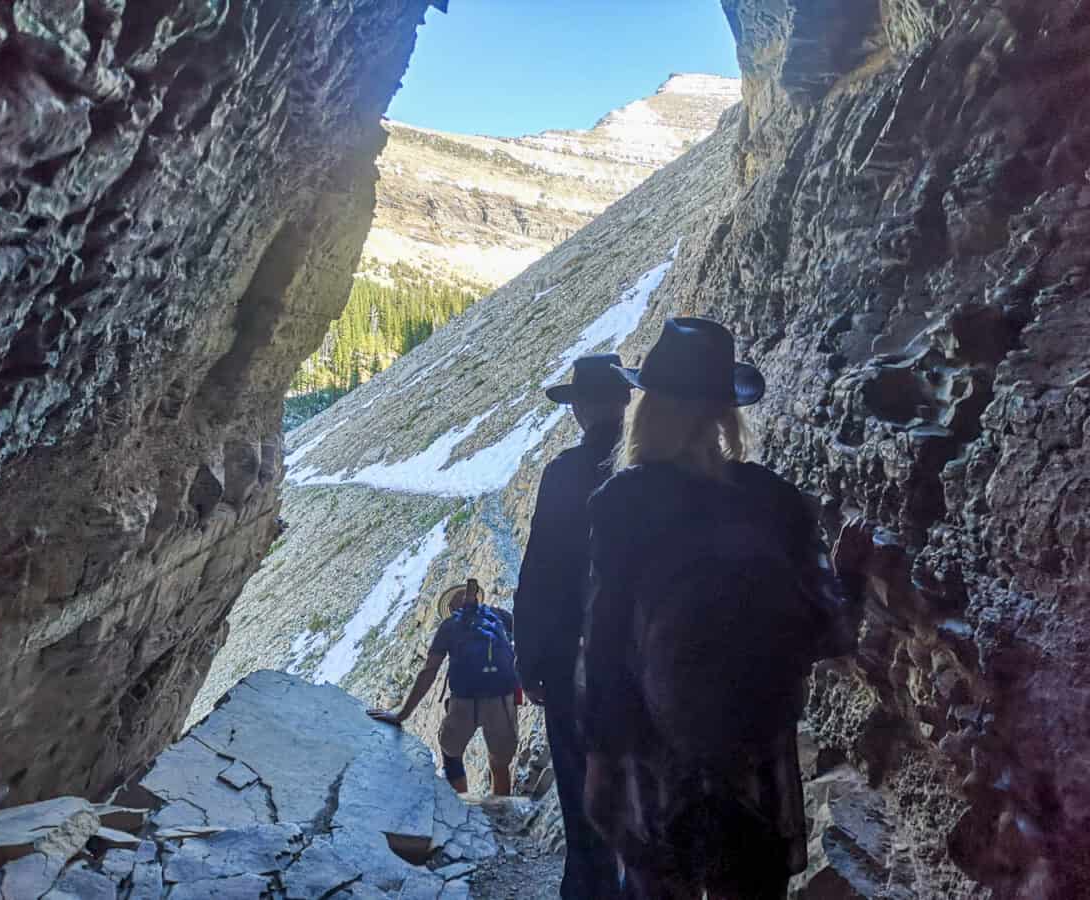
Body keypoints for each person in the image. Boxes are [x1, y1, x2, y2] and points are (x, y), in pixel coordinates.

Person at [579, 318, 862, 900]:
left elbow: (604, 646)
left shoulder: (622, 503)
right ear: (725, 412)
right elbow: (828, 632)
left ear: (649, 408)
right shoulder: (772, 499)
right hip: (755, 764)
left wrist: (600, 757)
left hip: (655, 763)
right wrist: (853, 572)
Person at [514, 354, 631, 900]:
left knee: (580, 779)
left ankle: (588, 885)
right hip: (645, 660)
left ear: (582, 409)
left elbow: (542, 569)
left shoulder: (564, 473)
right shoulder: (650, 466)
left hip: (570, 660)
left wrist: (529, 658)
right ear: (625, 400)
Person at [368, 578, 519, 795]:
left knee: (451, 753)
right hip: (502, 699)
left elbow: (429, 671)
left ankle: (460, 806)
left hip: (463, 702)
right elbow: (525, 639)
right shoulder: (499, 616)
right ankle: (500, 813)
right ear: (478, 599)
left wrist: (402, 714)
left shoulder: (449, 626)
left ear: (451, 608)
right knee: (499, 762)